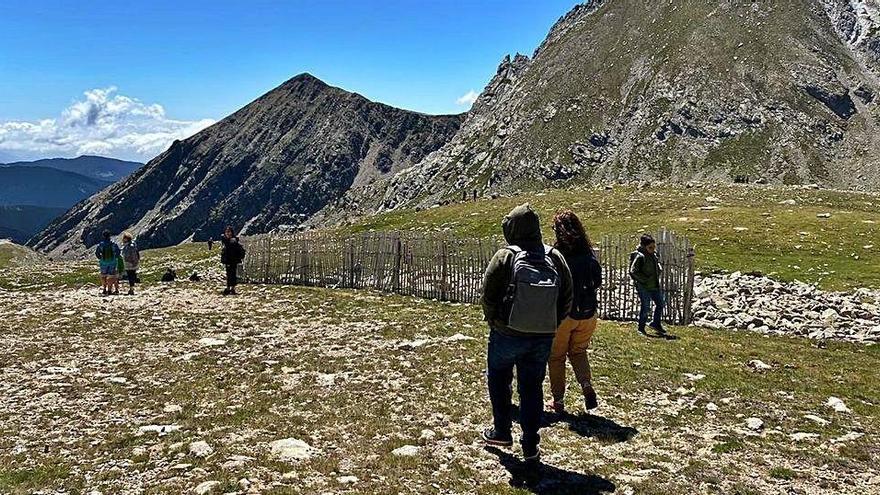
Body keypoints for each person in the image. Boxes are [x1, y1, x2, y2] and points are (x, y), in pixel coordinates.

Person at [480, 204, 572, 463]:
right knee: (532, 387)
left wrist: (496, 321)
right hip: (542, 336)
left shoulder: (505, 256)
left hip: (506, 333)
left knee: (499, 379)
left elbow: (488, 295)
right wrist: (550, 324)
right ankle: (530, 444)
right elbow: (567, 297)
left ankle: (501, 431)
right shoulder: (554, 257)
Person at [547, 211, 603, 413]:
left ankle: (559, 401)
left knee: (556, 357)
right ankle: (586, 385)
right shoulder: (588, 253)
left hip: (565, 315)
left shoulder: (557, 255)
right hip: (588, 314)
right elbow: (597, 281)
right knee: (578, 352)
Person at [630, 234, 665, 335]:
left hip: (654, 285)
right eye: (650, 247)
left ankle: (656, 323)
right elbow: (633, 271)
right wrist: (644, 279)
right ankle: (641, 328)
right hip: (644, 286)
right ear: (644, 246)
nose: (653, 249)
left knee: (660, 304)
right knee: (646, 307)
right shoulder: (640, 256)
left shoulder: (653, 255)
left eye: (654, 247)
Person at [220, 226, 245, 295]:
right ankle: (230, 288)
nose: (227, 233)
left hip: (232, 260)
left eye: (229, 232)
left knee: (231, 274)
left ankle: (231, 288)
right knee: (230, 274)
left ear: (231, 232)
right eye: (226, 232)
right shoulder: (231, 240)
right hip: (230, 260)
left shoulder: (232, 241)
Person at [95, 230, 121, 296]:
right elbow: (118, 252)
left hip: (103, 262)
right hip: (112, 262)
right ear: (110, 236)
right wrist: (115, 257)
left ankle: (104, 289)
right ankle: (109, 290)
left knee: (103, 275)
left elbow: (97, 253)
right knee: (111, 275)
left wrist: (100, 258)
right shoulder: (113, 244)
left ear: (103, 236)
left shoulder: (101, 244)